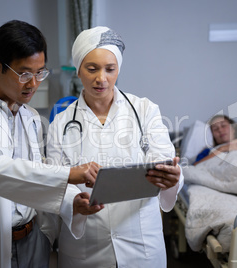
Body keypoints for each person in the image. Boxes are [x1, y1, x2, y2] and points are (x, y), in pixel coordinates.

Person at [0, 20, 101, 268]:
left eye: (40, 73)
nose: (33, 83)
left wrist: (71, 202)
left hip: (34, 240)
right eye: (24, 74)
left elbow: (34, 172)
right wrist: (68, 174)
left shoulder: (31, 117)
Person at [46, 26, 183, 268]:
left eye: (110, 69)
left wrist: (173, 179)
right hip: (86, 246)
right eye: (92, 69)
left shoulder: (145, 110)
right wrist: (73, 203)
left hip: (141, 243)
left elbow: (164, 161)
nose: (102, 78)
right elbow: (55, 178)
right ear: (78, 70)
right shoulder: (61, 124)